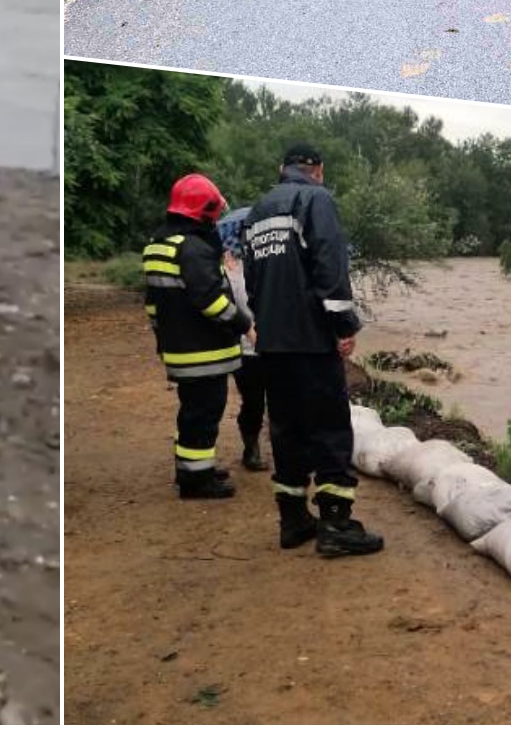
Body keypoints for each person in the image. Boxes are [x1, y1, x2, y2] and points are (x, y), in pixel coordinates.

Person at [241, 144, 382, 557]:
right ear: (317, 169)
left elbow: (251, 280)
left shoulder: (257, 212)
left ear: (281, 169)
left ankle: (293, 519)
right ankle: (337, 524)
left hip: (272, 343)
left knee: (286, 430)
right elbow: (329, 266)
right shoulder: (315, 199)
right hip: (311, 341)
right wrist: (344, 326)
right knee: (330, 428)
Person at [144, 173, 253, 499]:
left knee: (192, 411)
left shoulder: (158, 244)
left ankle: (193, 468)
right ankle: (197, 482)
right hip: (204, 351)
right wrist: (244, 324)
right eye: (213, 211)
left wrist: (164, 339)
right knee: (204, 413)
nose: (217, 217)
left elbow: (152, 303)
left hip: (180, 347)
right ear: (202, 212)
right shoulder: (192, 248)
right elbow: (211, 300)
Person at [217, 207, 269, 473]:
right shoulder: (230, 268)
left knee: (283, 398)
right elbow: (227, 307)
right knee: (254, 401)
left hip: (277, 343)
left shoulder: (275, 263)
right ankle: (251, 449)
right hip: (246, 348)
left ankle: (285, 446)